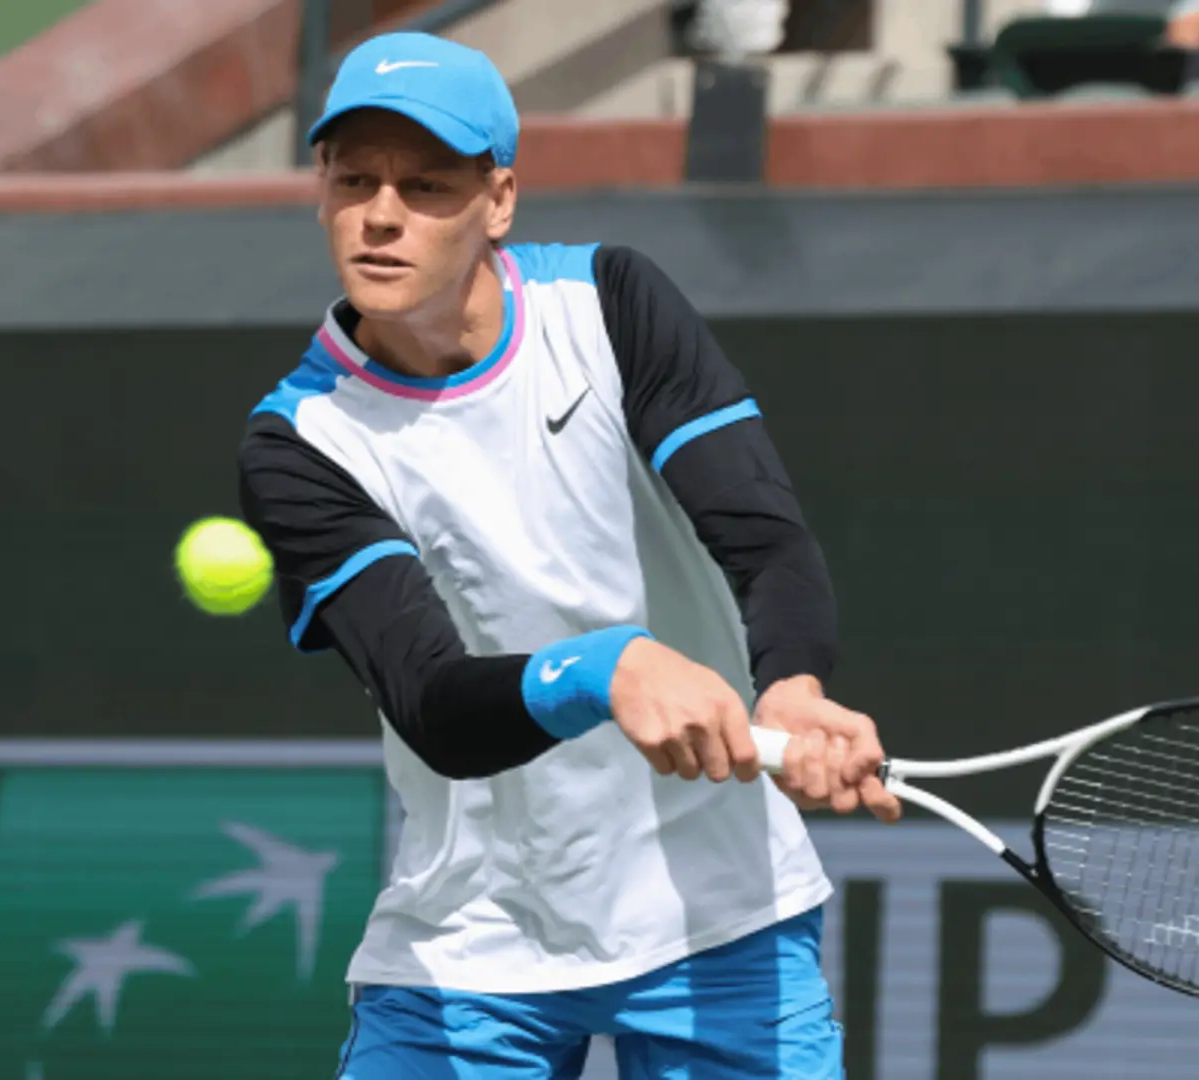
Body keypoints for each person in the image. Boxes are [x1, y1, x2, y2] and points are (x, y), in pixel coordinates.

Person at [237, 29, 899, 1080]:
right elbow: (434, 706)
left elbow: (763, 537)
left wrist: (794, 687)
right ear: (322, 191)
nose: (381, 215)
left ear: (499, 200)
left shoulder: (611, 305)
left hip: (720, 919)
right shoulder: (301, 440)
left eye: (427, 186)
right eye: (354, 180)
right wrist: (607, 667)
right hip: (467, 943)